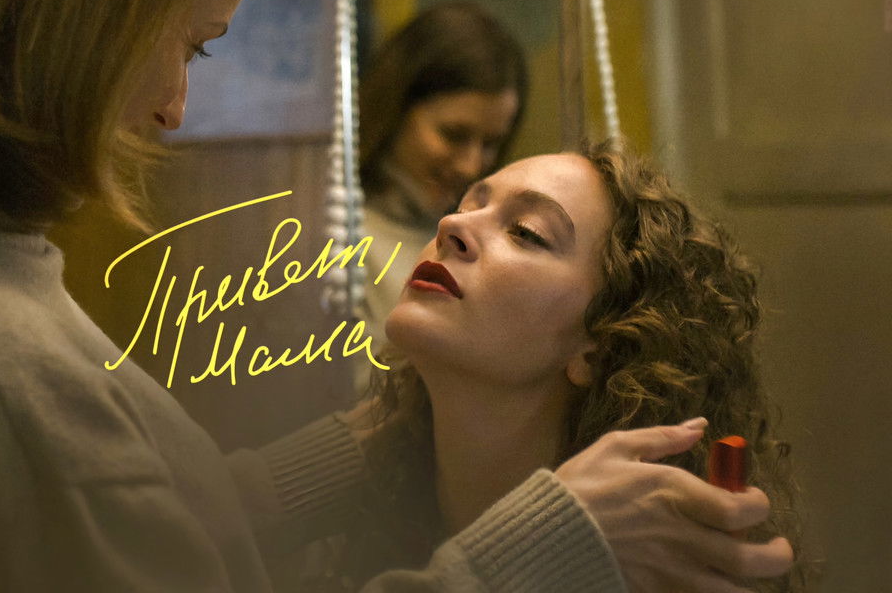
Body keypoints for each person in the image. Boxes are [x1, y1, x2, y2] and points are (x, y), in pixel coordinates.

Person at [0, 0, 793, 590]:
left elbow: (121, 530)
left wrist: (368, 447)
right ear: (83, 14)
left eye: (527, 231)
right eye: (190, 44)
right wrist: (538, 552)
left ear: (603, 343)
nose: (172, 107)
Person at [325, 143, 804, 591]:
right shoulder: (355, 528)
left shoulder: (647, 569)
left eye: (526, 232)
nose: (451, 223)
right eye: (467, 206)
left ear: (598, 349)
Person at [357, 2, 526, 354]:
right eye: (453, 135)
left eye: (491, 143)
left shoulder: (477, 241)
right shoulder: (330, 236)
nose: (471, 167)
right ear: (396, 110)